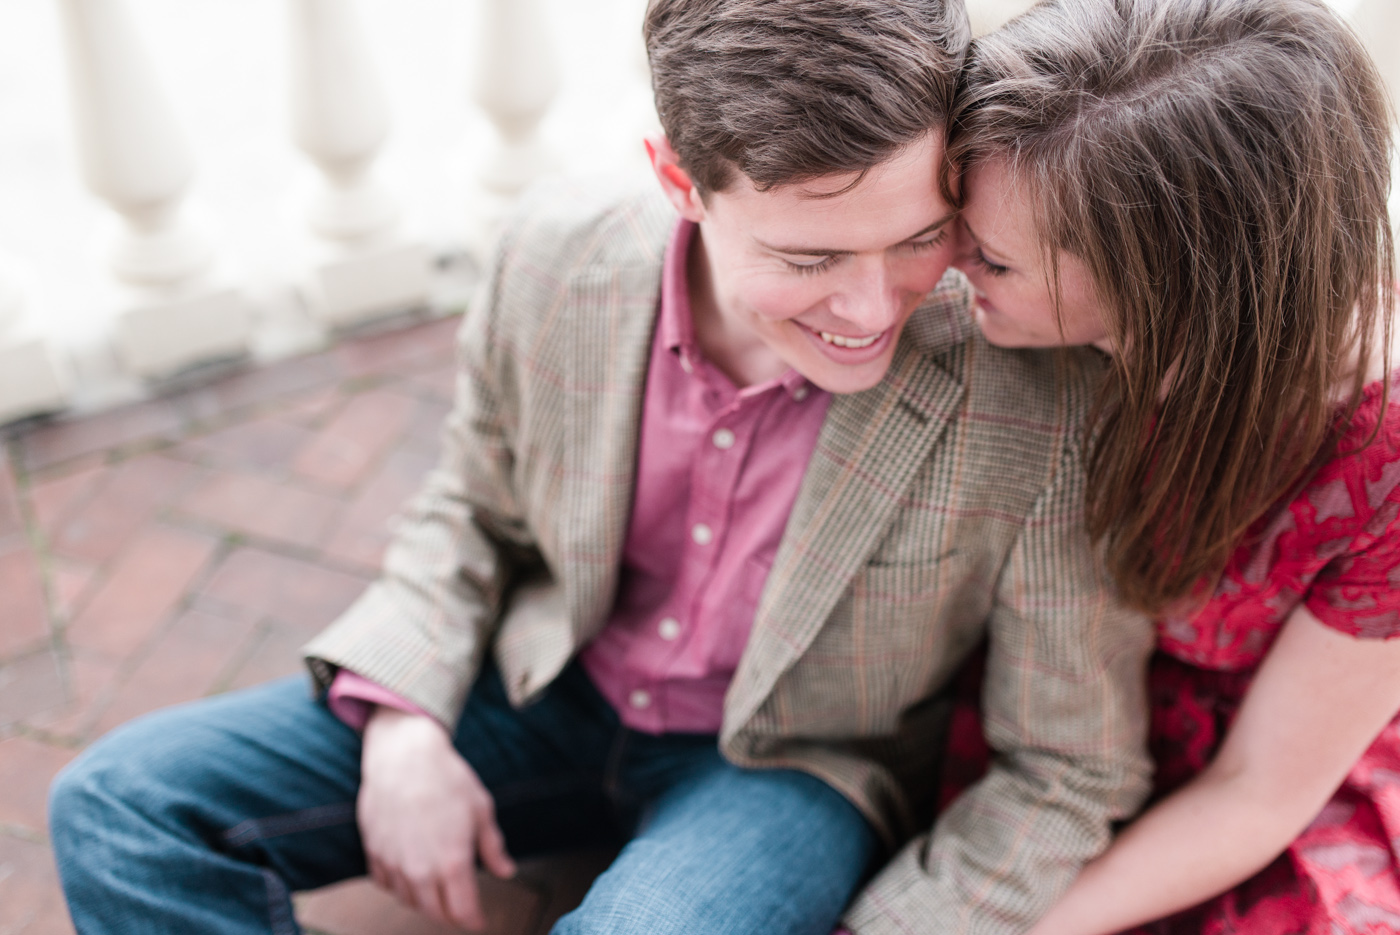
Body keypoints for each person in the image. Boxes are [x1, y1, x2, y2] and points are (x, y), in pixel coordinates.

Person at [47, 1, 1155, 933]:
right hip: (542, 684)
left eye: (917, 237)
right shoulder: (552, 252)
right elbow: (469, 508)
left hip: (784, 772)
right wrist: (399, 721)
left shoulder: (1038, 393)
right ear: (676, 179)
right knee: (116, 804)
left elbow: (1067, 768)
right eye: (806, 258)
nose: (874, 309)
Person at [942, 0, 1400, 932]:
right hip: (1041, 712)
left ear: (1160, 290)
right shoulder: (1016, 327)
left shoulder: (1379, 460)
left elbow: (1259, 792)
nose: (944, 267)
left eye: (990, 259)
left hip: (1253, 773)